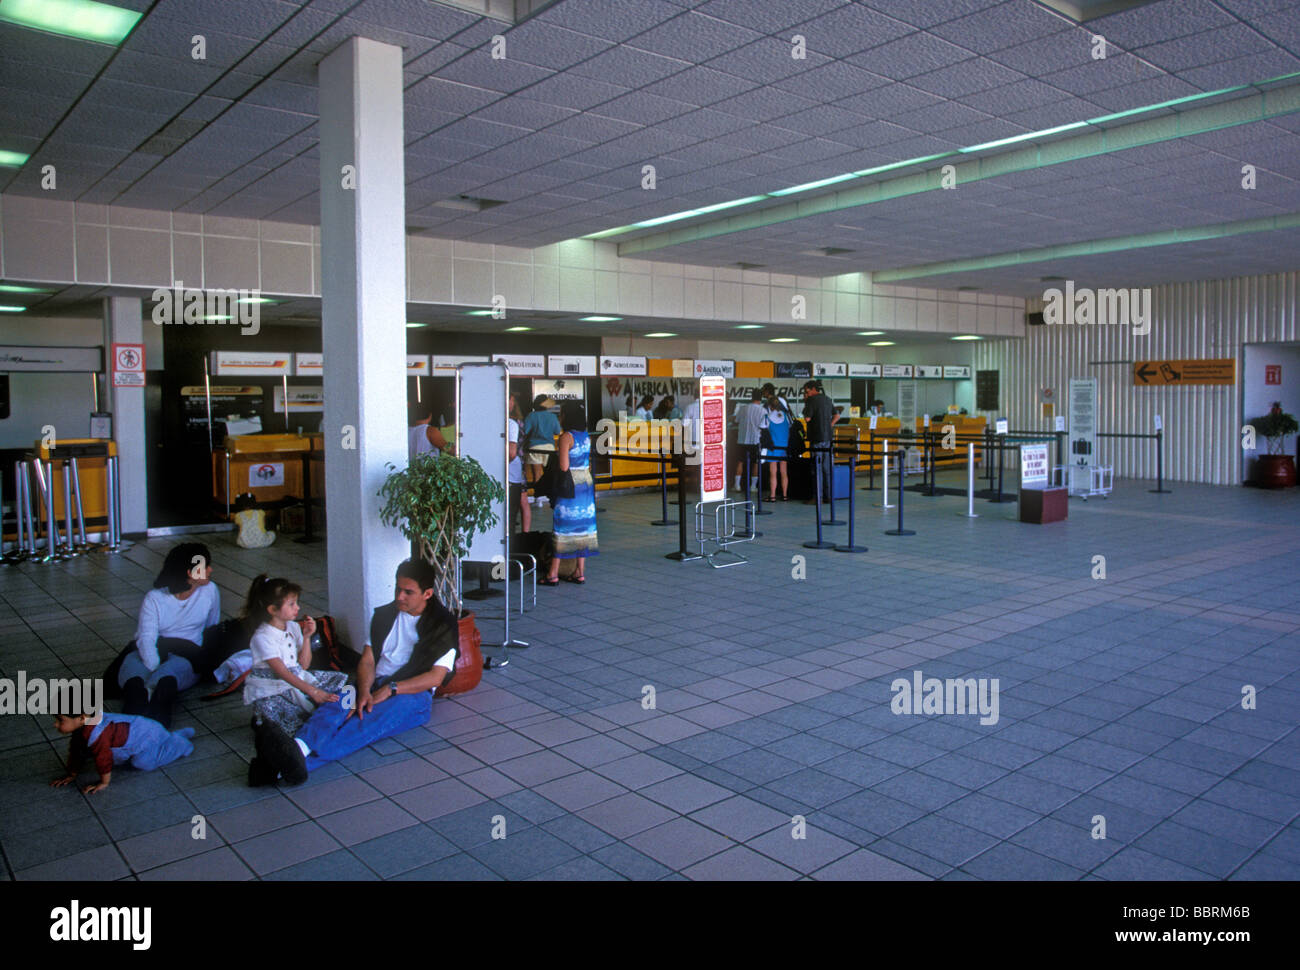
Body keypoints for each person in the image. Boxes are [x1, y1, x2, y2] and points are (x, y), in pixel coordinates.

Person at [252, 559, 460, 784]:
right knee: (336, 705)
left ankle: (287, 768)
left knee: (362, 723)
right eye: (398, 588)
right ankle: (299, 748)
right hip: (371, 683)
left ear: (427, 594)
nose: (399, 596)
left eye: (408, 592)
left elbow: (436, 676)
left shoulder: (443, 625)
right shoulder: (385, 615)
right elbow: (368, 661)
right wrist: (363, 690)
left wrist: (391, 689)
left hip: (412, 695)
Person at [241, 575, 350, 786]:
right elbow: (283, 673)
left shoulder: (292, 626)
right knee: (291, 721)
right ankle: (265, 728)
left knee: (347, 690)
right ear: (272, 610)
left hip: (298, 680)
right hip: (274, 688)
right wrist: (314, 692)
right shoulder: (262, 637)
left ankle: (298, 737)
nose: (297, 608)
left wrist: (307, 637)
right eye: (291, 604)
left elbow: (303, 665)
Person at [114, 542, 222, 729]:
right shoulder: (155, 598)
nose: (211, 570)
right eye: (206, 566)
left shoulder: (210, 590)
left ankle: (156, 730)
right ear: (191, 572)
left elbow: (211, 626)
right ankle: (129, 733)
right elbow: (146, 638)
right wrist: (153, 666)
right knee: (134, 681)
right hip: (154, 649)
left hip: (188, 653)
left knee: (166, 681)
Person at [51, 711, 194, 794]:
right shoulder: (87, 723)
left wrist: (103, 782)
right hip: (147, 729)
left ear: (81, 718)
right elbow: (76, 750)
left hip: (148, 737)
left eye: (60, 720)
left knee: (142, 763)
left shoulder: (98, 734)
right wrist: (72, 773)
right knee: (159, 740)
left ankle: (181, 744)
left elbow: (103, 759)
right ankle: (174, 737)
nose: (55, 724)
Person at [543, 400, 597, 586]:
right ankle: (579, 572)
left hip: (570, 486)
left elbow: (564, 466)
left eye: (562, 414)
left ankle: (553, 574)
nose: (560, 417)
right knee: (583, 527)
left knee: (563, 527)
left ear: (567, 416)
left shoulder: (566, 437)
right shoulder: (586, 436)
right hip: (586, 484)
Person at [802, 380, 838, 504]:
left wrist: (806, 403)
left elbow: (807, 418)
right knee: (826, 468)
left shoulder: (811, 401)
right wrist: (829, 426)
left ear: (812, 389)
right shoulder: (827, 399)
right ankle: (828, 496)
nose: (806, 393)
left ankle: (817, 497)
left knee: (816, 468)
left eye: (806, 391)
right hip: (827, 438)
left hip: (816, 438)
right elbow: (836, 415)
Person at [523, 394, 561, 507]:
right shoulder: (552, 417)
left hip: (535, 447)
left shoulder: (531, 416)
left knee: (537, 474)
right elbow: (557, 431)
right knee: (549, 473)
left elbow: (525, 431)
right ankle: (550, 496)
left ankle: (538, 498)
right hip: (549, 448)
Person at [734, 388, 765, 493]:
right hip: (755, 440)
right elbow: (764, 426)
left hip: (742, 439)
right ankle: (753, 487)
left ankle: (737, 485)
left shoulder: (743, 408)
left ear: (751, 396)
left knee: (740, 462)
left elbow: (736, 420)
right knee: (756, 462)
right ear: (761, 398)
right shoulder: (763, 410)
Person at [763, 392, 792, 501]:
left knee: (773, 473)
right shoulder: (786, 416)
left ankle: (773, 496)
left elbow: (761, 427)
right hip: (784, 447)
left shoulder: (768, 417)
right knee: (784, 472)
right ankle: (785, 495)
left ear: (770, 406)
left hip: (773, 448)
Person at [509, 391, 529, 535]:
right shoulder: (519, 422)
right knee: (523, 501)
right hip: (519, 464)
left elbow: (511, 452)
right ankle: (525, 534)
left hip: (513, 466)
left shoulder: (511, 423)